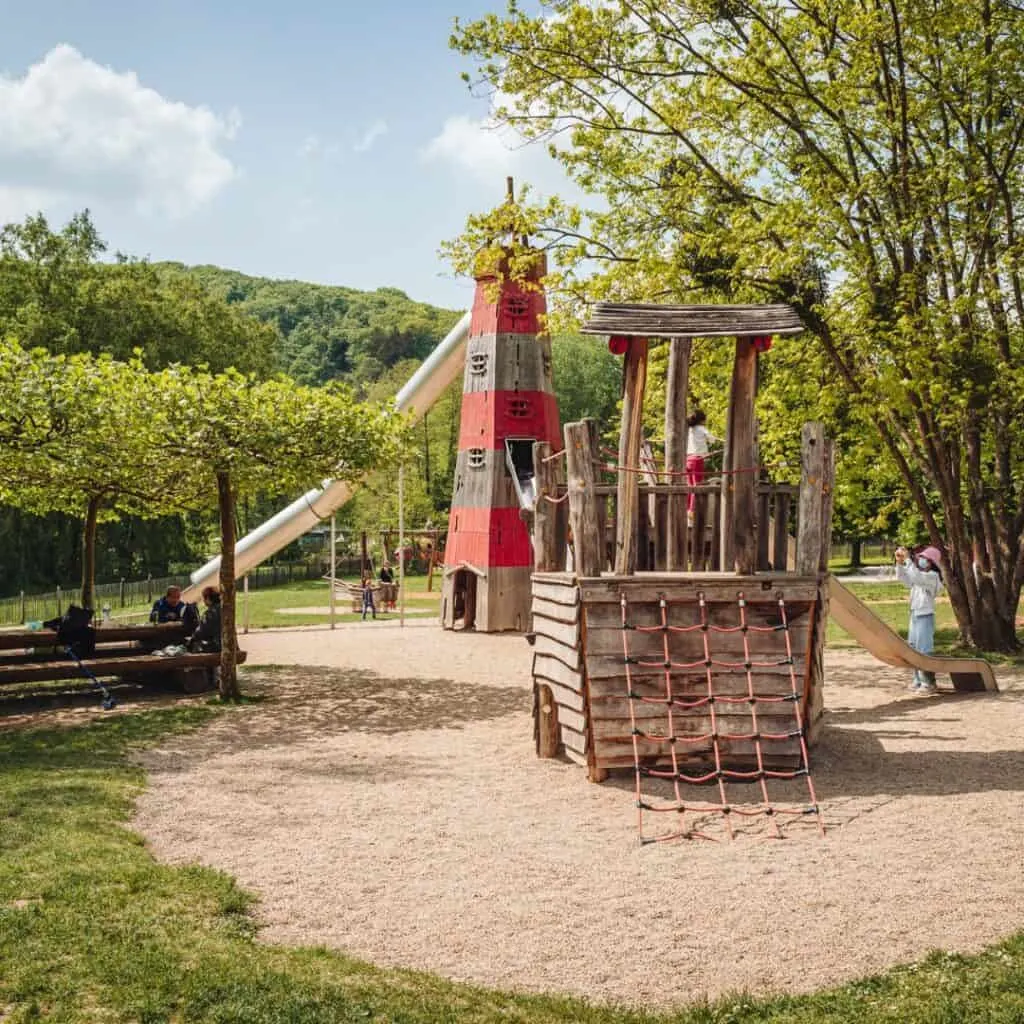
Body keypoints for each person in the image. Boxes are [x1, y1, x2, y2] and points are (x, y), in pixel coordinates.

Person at [894, 545, 943, 695]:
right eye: (920, 557)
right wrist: (899, 562)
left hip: (925, 616)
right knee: (913, 647)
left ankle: (929, 683)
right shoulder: (919, 576)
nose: (920, 560)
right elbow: (903, 578)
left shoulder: (932, 577)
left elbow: (916, 577)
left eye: (924, 559)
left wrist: (908, 560)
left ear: (931, 563)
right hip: (915, 614)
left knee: (924, 649)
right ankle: (917, 680)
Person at [686, 409, 720, 514]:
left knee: (689, 485)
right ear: (702, 420)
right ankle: (692, 510)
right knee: (697, 485)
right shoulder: (701, 428)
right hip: (697, 459)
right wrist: (712, 439)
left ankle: (687, 508)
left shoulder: (690, 429)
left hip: (688, 459)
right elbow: (712, 439)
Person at [188, 586, 222, 653]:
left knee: (191, 645)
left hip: (216, 646)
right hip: (228, 644)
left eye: (204, 598)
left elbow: (201, 632)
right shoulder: (226, 609)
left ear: (208, 598)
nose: (203, 601)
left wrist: (193, 637)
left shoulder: (209, 613)